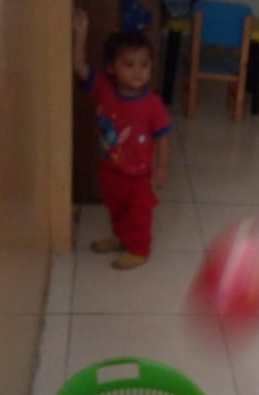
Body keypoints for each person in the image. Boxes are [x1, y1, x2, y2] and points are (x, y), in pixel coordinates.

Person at [73, 7, 172, 270]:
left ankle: (139, 248)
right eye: (129, 65)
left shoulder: (153, 104)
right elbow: (80, 67)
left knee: (139, 212)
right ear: (111, 68)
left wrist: (161, 168)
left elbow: (163, 138)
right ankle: (121, 238)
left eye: (144, 64)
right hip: (110, 169)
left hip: (139, 175)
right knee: (115, 208)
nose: (138, 72)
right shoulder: (103, 88)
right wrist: (81, 34)